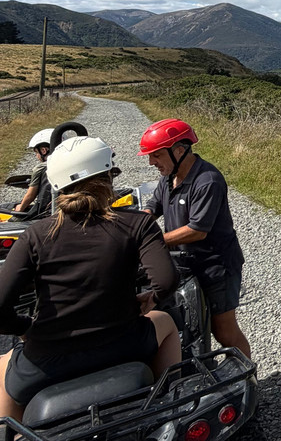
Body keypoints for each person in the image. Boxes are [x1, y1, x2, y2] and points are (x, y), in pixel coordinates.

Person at [0, 135, 181, 421]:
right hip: (123, 344)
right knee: (167, 322)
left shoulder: (35, 234)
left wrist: (25, 328)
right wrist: (152, 299)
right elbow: (167, 280)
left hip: (47, 359)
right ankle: (169, 407)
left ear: (57, 185)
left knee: (3, 367)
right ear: (108, 177)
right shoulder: (138, 223)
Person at [139, 119, 251, 360]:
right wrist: (134, 228)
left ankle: (246, 375)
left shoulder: (208, 180)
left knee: (224, 331)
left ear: (179, 150)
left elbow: (197, 230)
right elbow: (153, 207)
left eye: (156, 155)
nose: (151, 162)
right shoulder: (169, 176)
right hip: (186, 263)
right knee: (192, 323)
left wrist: (152, 242)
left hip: (216, 266)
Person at [13, 129, 52, 213]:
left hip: (47, 211)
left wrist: (20, 208)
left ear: (43, 150)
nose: (36, 156)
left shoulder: (41, 168)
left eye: (36, 152)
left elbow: (31, 195)